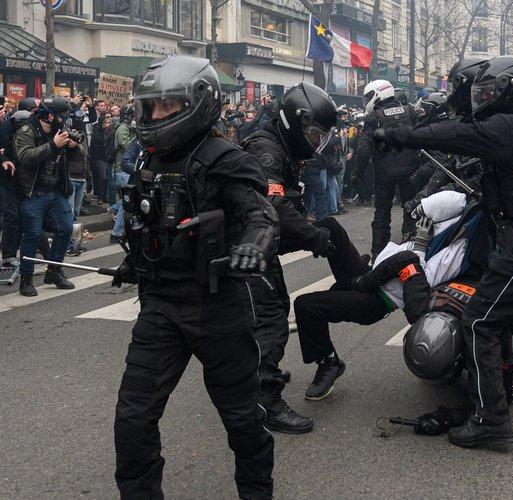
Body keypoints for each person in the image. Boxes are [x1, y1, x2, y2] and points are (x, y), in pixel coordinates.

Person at [374, 56, 513, 448]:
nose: (483, 99)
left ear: (512, 91)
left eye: (490, 92)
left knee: (479, 320)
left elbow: (457, 135)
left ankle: (491, 419)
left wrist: (402, 135)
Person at [110, 55, 276, 498]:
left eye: (169, 104)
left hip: (217, 306)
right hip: (161, 305)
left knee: (243, 420)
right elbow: (149, 225)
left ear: (200, 102)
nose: (158, 114)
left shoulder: (226, 158)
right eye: (154, 106)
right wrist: (136, 260)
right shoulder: (149, 161)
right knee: (132, 418)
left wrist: (250, 246)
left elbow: (260, 215)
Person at [293, 190, 490, 400]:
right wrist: (420, 209)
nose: (419, 218)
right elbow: (450, 201)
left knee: (306, 305)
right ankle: (276, 240)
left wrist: (421, 246)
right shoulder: (451, 219)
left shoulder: (458, 253)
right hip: (368, 272)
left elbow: (423, 278)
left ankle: (328, 362)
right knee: (329, 226)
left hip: (377, 299)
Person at [240, 81, 338, 433]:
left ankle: (252, 378)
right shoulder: (267, 151)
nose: (315, 142)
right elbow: (274, 205)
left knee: (269, 311)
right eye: (313, 134)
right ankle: (265, 399)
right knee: (270, 320)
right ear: (293, 122)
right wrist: (315, 237)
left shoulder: (278, 147)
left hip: (256, 245)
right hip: (247, 247)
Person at [13, 97, 83, 297]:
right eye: (63, 116)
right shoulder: (27, 131)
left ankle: (54, 271)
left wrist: (73, 147)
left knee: (65, 228)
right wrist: (53, 145)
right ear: (50, 115)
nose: (65, 120)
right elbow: (25, 157)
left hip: (56, 191)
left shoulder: (58, 132)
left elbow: (78, 158)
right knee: (33, 235)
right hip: (32, 192)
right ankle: (26, 279)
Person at [355, 79, 420, 259]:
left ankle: (379, 254)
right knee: (411, 209)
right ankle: (410, 248)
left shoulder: (374, 117)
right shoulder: (410, 111)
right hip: (409, 170)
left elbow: (363, 148)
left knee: (382, 214)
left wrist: (359, 174)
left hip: (384, 173)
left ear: (378, 94)